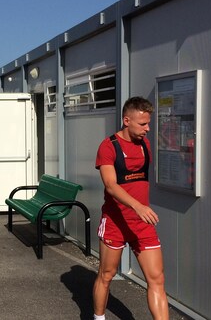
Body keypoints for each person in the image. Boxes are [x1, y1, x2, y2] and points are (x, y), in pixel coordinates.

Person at [92, 97, 169, 320]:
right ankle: (99, 318)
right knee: (107, 275)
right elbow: (110, 185)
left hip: (142, 224)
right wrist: (137, 206)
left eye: (148, 123)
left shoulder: (145, 145)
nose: (147, 129)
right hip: (115, 222)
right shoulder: (108, 146)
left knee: (157, 279)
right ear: (127, 121)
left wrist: (141, 210)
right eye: (142, 124)